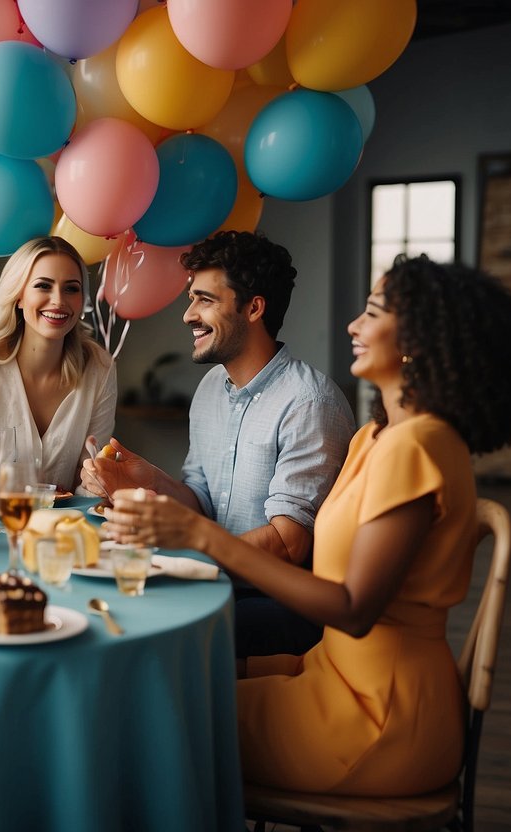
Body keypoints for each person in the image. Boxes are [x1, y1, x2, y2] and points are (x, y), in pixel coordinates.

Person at [107, 255, 511, 796]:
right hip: (335, 673)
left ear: (421, 340)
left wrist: (199, 537)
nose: (353, 325)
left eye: (374, 313)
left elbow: (354, 610)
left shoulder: (416, 446)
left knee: (149, 724)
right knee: (168, 690)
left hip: (379, 719)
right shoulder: (375, 439)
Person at [81, 230, 355, 658]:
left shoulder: (309, 402)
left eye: (205, 300)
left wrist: (190, 553)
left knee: (142, 633)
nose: (188, 315)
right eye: (192, 299)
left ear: (253, 308)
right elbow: (204, 504)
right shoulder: (211, 388)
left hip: (276, 604)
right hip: (215, 581)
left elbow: (287, 546)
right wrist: (147, 477)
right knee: (105, 612)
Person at [0, 236, 117, 492]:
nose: (58, 300)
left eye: (71, 288)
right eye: (43, 286)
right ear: (18, 296)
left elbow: (91, 477)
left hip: (68, 526)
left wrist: (96, 480)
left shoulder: (100, 368)